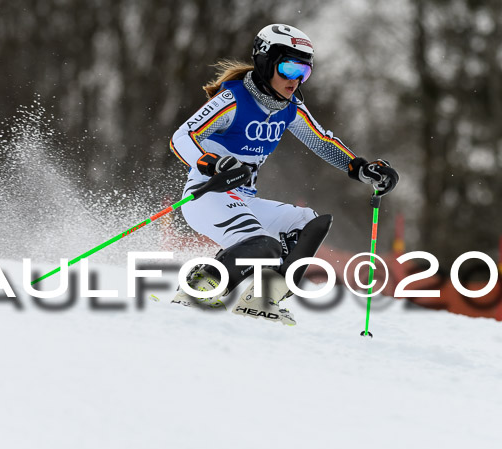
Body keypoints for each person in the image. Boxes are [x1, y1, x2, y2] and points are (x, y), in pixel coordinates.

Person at [169, 23, 398, 326]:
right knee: (264, 245)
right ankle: (195, 292)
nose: (296, 80)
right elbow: (182, 137)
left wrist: (361, 169)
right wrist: (210, 163)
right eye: (289, 69)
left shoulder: (289, 107)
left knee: (310, 223)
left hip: (244, 199)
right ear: (266, 62)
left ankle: (262, 299)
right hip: (209, 194)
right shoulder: (233, 100)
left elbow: (322, 141)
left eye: (304, 72)